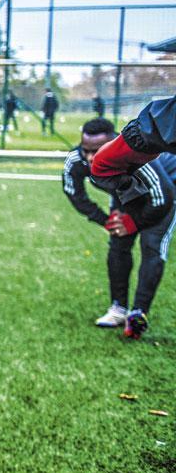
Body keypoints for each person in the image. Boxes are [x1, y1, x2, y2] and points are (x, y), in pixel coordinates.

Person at [62, 118, 174, 336]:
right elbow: (74, 192)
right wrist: (105, 219)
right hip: (127, 197)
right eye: (86, 150)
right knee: (118, 244)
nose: (90, 157)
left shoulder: (137, 156)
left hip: (165, 194)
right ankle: (118, 309)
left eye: (96, 150)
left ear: (112, 142)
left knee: (152, 246)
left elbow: (164, 196)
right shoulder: (76, 160)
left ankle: (137, 314)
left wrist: (133, 224)